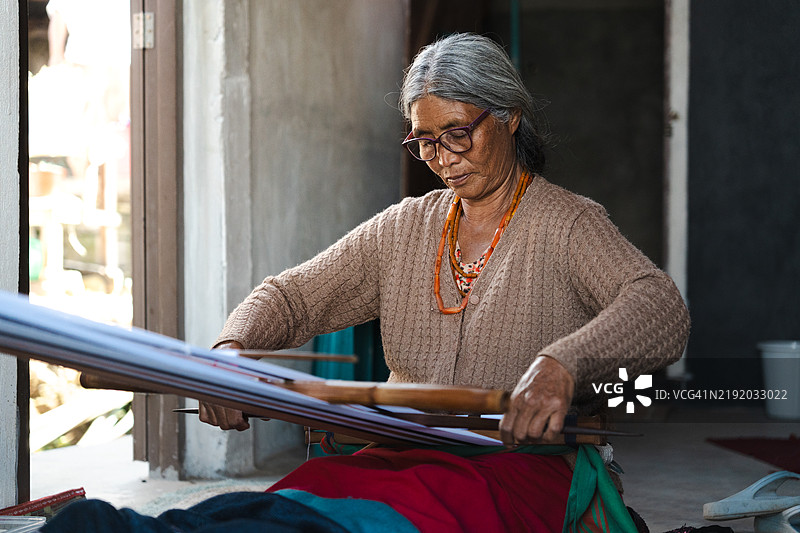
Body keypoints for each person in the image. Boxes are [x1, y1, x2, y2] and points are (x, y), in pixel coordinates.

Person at [42, 33, 690, 533]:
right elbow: (292, 295)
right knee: (292, 502)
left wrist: (561, 363)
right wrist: (231, 354)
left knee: (348, 522)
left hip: (514, 467)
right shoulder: (406, 228)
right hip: (398, 452)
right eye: (425, 142)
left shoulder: (567, 224)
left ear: (510, 117)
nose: (443, 157)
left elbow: (658, 307)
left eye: (458, 133)